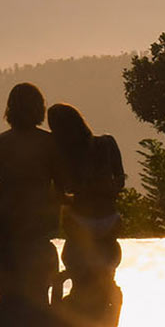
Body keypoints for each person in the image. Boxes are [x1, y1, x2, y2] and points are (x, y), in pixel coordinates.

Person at [0, 82, 64, 249]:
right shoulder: (51, 143)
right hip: (40, 225)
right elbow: (62, 187)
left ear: (9, 110)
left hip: (5, 224)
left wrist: (5, 186)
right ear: (40, 109)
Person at [47, 103, 125, 275]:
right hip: (110, 223)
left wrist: (79, 196)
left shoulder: (61, 156)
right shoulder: (107, 143)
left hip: (78, 226)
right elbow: (120, 180)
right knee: (108, 280)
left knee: (78, 277)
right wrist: (104, 191)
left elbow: (59, 196)